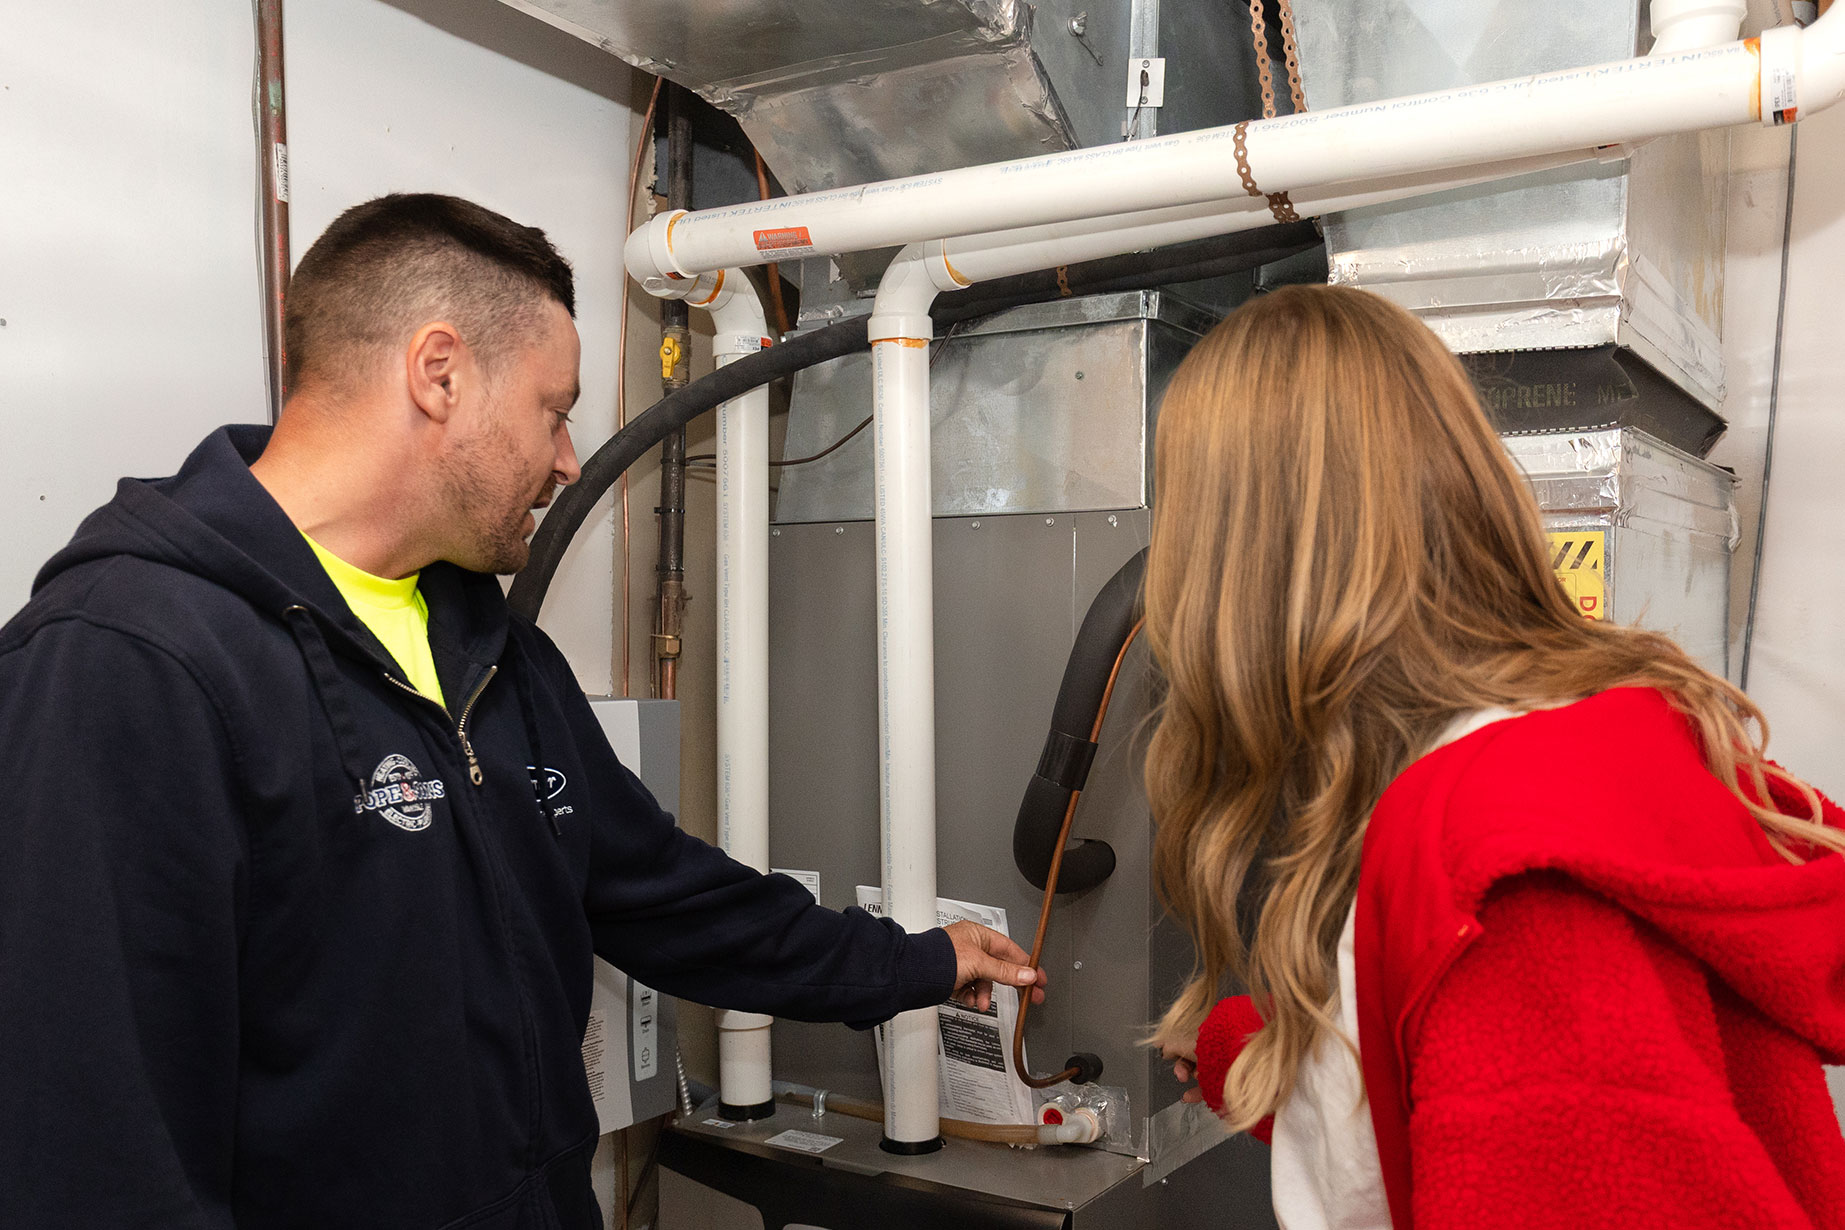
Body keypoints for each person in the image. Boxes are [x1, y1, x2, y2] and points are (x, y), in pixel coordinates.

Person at [0, 193, 1043, 1229]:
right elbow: (96, 1149)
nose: (566, 460)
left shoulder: (492, 651)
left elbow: (671, 899)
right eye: (555, 409)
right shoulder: (128, 664)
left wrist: (913, 961)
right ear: (439, 373)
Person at [1144, 284, 1845, 1228]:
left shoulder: (1508, 882)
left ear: (1237, 563)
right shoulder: (1567, 741)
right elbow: (1449, 1082)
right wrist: (1247, 1047)